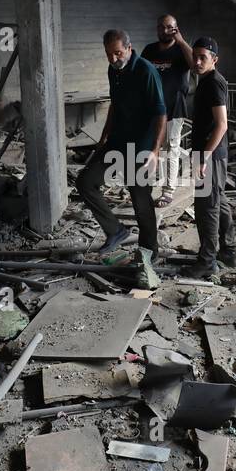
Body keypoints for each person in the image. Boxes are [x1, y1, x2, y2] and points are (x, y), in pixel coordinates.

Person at [76, 29, 166, 287]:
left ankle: (149, 253)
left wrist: (156, 150)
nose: (113, 58)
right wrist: (104, 136)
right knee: (85, 182)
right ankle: (116, 231)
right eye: (109, 54)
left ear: (129, 48)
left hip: (141, 147)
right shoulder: (113, 71)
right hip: (117, 141)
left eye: (117, 53)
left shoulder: (146, 71)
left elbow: (161, 113)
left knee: (140, 201)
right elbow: (115, 104)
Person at [188, 37, 235, 277]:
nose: (197, 61)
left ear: (214, 59)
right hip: (212, 154)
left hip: (211, 155)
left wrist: (203, 157)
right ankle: (229, 251)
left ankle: (207, 261)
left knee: (207, 207)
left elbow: (222, 125)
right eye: (194, 56)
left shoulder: (214, 83)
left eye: (202, 57)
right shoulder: (207, 80)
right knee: (219, 201)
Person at [141, 14, 195, 208]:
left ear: (176, 28)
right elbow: (140, 74)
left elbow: (195, 67)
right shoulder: (149, 50)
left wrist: (181, 42)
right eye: (161, 27)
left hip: (175, 107)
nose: (164, 31)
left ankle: (168, 190)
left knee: (171, 148)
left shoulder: (182, 51)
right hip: (152, 108)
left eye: (169, 27)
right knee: (152, 146)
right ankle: (149, 184)